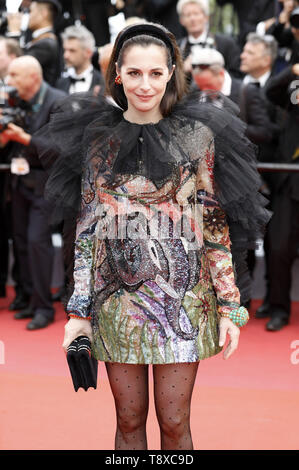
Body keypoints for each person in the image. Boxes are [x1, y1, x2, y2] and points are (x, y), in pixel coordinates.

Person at [35, 22, 269, 450]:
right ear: (118, 74)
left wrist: (230, 305)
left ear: (171, 73)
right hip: (115, 300)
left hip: (184, 298)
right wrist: (78, 312)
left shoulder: (197, 137)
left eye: (156, 73)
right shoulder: (96, 141)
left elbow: (214, 225)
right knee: (127, 421)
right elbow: (87, 230)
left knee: (176, 422)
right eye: (136, 73)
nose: (146, 84)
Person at [0, 55, 66, 329]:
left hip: (46, 184)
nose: (8, 81)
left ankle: (44, 307)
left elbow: (62, 149)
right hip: (19, 181)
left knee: (37, 241)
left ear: (33, 78)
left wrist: (24, 138)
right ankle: (28, 297)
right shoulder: (15, 101)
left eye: (14, 76)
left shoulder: (60, 101)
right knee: (21, 241)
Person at [261, 62, 299, 331]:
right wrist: (293, 71)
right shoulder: (296, 94)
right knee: (278, 248)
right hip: (289, 184)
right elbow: (272, 92)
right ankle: (278, 308)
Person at [177, 0, 242, 83]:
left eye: (196, 14)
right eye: (188, 15)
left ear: (206, 17)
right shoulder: (177, 47)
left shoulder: (225, 43)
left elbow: (238, 75)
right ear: (181, 20)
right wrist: (182, 70)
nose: (192, 19)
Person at [22, 0, 63, 86]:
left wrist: (14, 33)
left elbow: (19, 68)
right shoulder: (41, 40)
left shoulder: (45, 44)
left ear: (44, 13)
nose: (28, 16)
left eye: (31, 11)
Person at [56, 24, 105, 96]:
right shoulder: (60, 83)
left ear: (88, 53)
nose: (65, 55)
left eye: (72, 50)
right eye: (65, 50)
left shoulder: (103, 82)